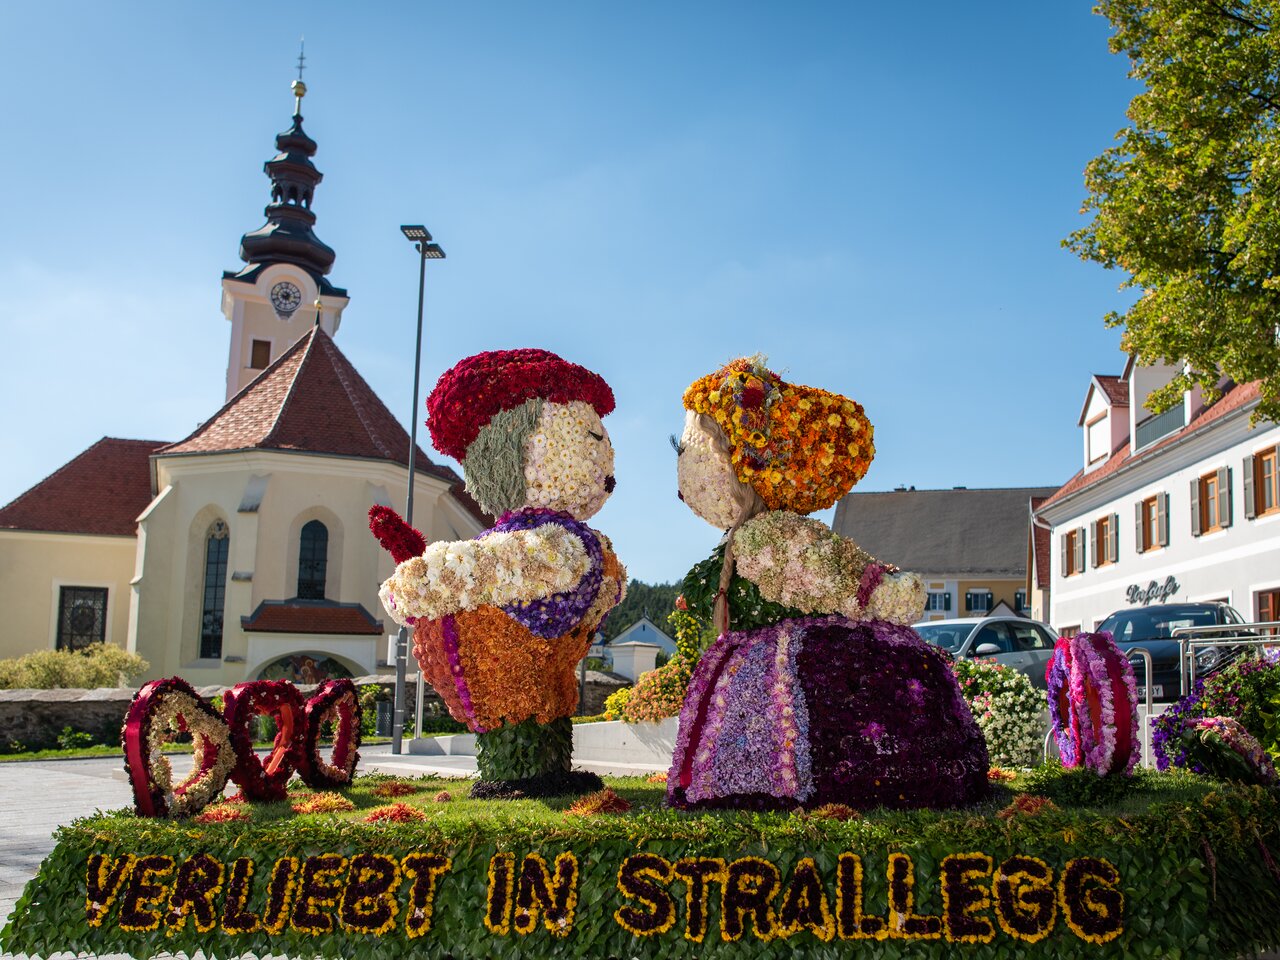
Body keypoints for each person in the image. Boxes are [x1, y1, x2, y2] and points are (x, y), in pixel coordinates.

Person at [667, 356, 989, 810]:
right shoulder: (748, 542)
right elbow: (836, 579)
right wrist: (881, 589)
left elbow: (830, 577)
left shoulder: (766, 537)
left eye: (688, 453)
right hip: (769, 663)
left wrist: (878, 589)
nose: (683, 474)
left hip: (783, 660)